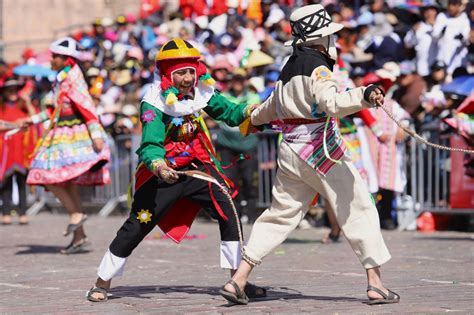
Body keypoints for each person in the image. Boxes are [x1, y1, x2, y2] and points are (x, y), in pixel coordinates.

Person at [220, 5, 399, 306]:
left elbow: (269, 108)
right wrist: (364, 94)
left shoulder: (287, 69)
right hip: (321, 150)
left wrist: (250, 119)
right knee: (358, 208)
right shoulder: (319, 67)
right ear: (321, 39)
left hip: (290, 150)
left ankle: (238, 279)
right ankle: (376, 283)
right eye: (330, 36)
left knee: (280, 215)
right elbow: (331, 103)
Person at [86, 38, 265, 302]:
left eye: (191, 71)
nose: (187, 78)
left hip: (198, 165)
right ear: (168, 73)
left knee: (229, 210)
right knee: (138, 224)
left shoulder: (203, 92)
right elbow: (150, 144)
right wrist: (158, 166)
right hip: (163, 171)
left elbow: (230, 112)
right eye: (181, 72)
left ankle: (237, 281)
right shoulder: (153, 102)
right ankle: (101, 282)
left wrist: (252, 109)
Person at [20, 37, 110, 253]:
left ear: (66, 59)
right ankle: (79, 237)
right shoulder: (61, 78)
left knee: (43, 174)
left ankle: (76, 214)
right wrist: (29, 121)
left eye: (55, 56)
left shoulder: (73, 76)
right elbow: (53, 111)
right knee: (67, 184)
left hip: (73, 134)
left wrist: (96, 134)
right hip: (60, 133)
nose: (52, 60)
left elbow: (86, 106)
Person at [0, 78, 38, 225]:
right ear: (4, 92)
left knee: (22, 183)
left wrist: (28, 102)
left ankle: (23, 213)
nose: (13, 93)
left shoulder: (23, 107)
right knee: (6, 184)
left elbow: (35, 118)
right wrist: (13, 125)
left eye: (16, 89)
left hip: (22, 149)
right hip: (6, 149)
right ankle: (6, 213)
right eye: (10, 90)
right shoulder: (2, 107)